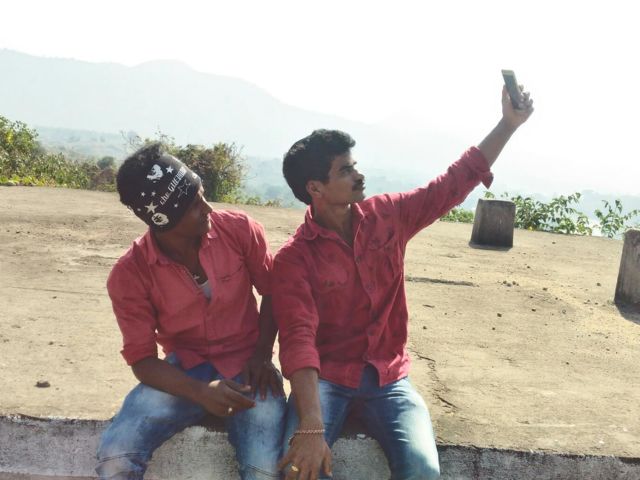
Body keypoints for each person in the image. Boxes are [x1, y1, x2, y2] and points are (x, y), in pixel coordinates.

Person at [273, 86, 534, 479]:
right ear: (315, 188)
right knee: (297, 470)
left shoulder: (388, 215)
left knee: (423, 470)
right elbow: (298, 340)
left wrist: (508, 124)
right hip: (328, 377)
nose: (358, 175)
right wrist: (311, 426)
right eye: (345, 171)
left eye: (354, 165)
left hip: (388, 378)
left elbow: (451, 184)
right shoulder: (294, 259)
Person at [96, 143, 286, 480]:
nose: (208, 208)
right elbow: (142, 360)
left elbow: (272, 291)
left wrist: (262, 355)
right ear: (164, 219)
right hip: (184, 371)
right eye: (195, 205)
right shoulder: (130, 274)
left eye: (203, 195)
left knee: (264, 470)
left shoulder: (240, 230)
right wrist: (200, 392)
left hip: (249, 368)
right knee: (115, 456)